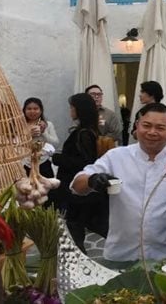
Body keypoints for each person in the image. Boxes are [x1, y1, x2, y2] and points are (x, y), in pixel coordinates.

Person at [71, 103, 166, 262]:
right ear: (137, 126)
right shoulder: (116, 156)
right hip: (120, 253)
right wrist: (92, 180)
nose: (152, 132)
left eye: (160, 128)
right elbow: (77, 184)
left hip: (165, 255)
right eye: (146, 125)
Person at [51, 93, 107, 252]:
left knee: (75, 226)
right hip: (76, 188)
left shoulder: (83, 133)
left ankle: (78, 261)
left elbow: (83, 162)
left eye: (72, 107)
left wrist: (57, 158)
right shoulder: (89, 131)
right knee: (76, 225)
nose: (70, 111)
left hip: (75, 188)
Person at [131, 81, 166, 151]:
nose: (140, 95)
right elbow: (134, 133)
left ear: (151, 94)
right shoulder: (141, 112)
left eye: (142, 92)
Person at [22, 97, 58, 178]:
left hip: (43, 162)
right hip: (25, 163)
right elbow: (15, 145)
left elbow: (55, 143)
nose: (32, 111)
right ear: (24, 110)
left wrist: (43, 132)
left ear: (41, 110)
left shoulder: (48, 124)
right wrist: (29, 135)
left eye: (35, 108)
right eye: (29, 109)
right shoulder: (20, 125)